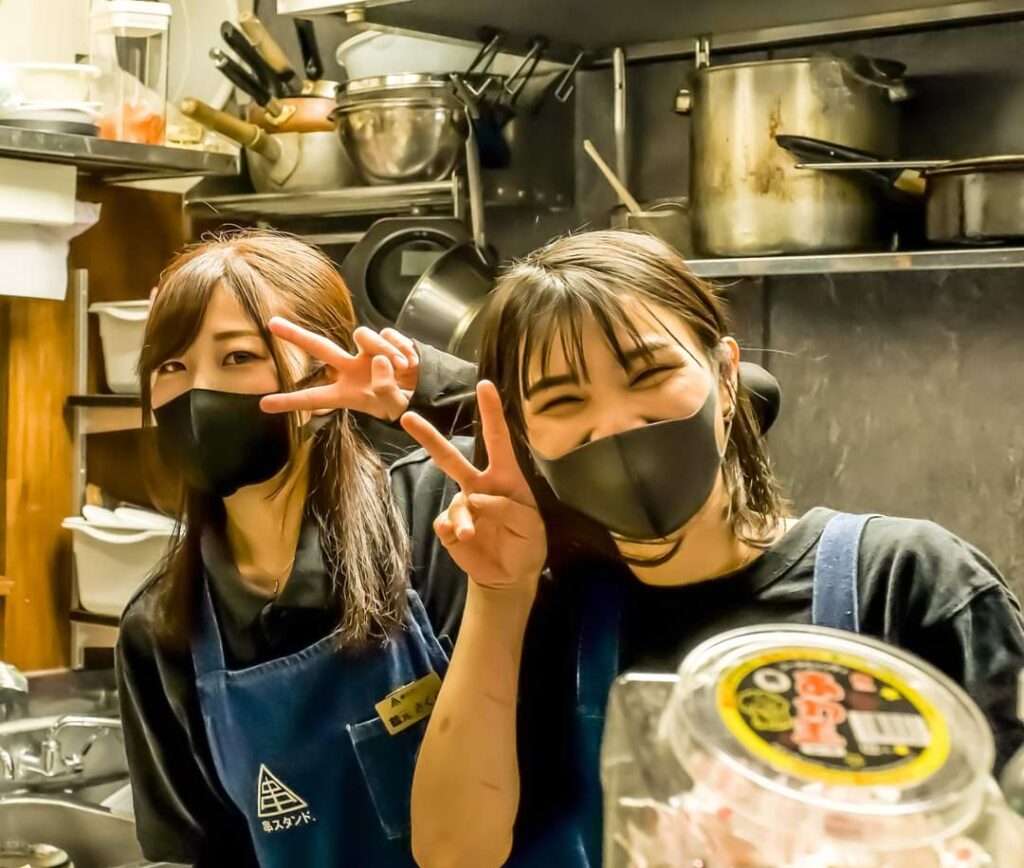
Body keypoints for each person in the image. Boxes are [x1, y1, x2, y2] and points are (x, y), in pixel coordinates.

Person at [384, 230, 1024, 867]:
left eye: (649, 374)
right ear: (527, 439)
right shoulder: (547, 613)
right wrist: (497, 594)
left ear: (724, 375)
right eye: (563, 401)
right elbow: (454, 854)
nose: (616, 424)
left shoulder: (909, 581)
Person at [115, 230, 474, 867]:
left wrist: (419, 387)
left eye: (237, 357)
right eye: (171, 366)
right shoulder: (160, 628)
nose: (197, 392)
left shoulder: (439, 515)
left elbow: (556, 441)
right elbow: (197, 853)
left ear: (325, 376)